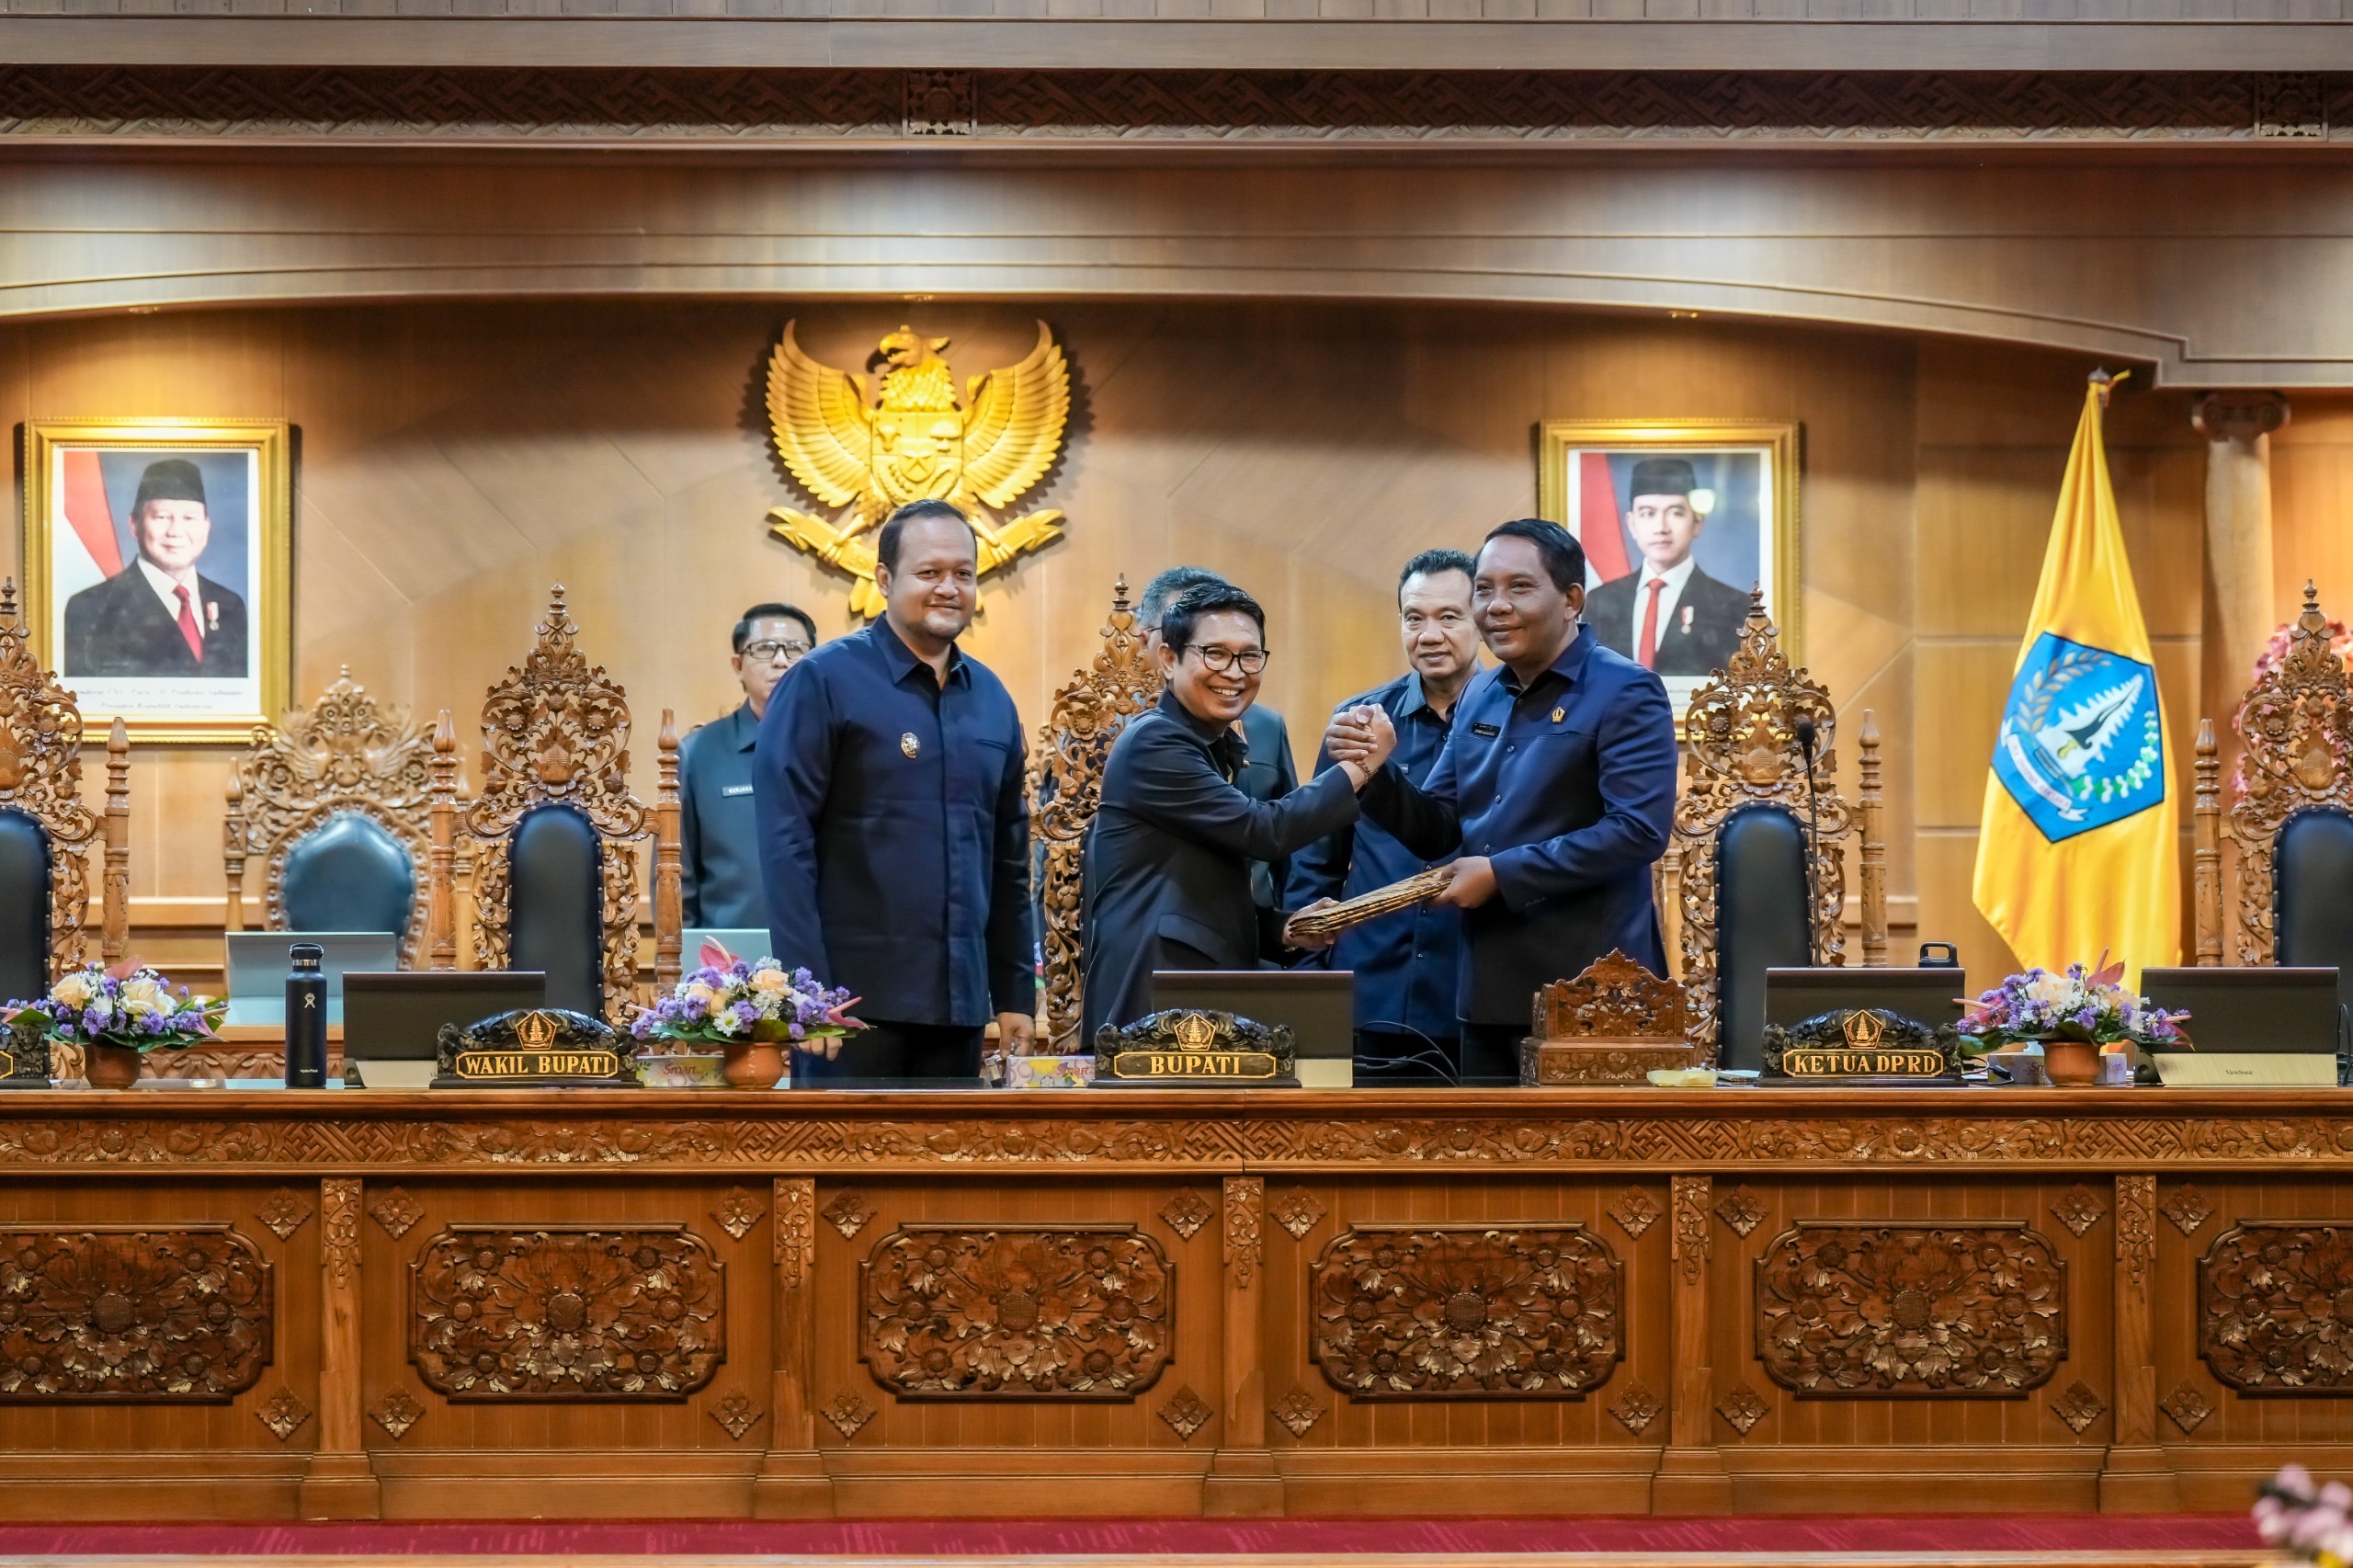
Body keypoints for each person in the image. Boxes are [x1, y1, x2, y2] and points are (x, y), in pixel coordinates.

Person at [1316, 518, 1677, 1085]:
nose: (1496, 606)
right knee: (1492, 1168)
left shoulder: (1626, 689)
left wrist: (1501, 874)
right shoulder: (1482, 692)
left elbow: (1638, 831)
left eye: (1520, 588)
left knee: (1593, 1169)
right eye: (1484, 589)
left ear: (1572, 599)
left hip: (1591, 990)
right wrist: (1374, 773)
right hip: (1485, 987)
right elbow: (1437, 828)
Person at [755, 500, 1033, 1086]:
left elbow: (1007, 861)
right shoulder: (823, 681)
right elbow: (786, 846)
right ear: (884, 580)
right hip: (849, 1015)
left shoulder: (992, 699)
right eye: (928, 573)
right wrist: (810, 997)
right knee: (840, 1177)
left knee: (944, 1177)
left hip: (960, 1011)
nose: (949, 588)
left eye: (963, 573)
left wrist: (1013, 995)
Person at [1081, 581, 1369, 1048]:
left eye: (1249, 656)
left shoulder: (1209, 744)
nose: (1234, 672)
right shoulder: (1156, 742)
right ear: (1169, 659)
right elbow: (1265, 830)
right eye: (1214, 654)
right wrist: (1360, 767)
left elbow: (1201, 895)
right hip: (1150, 1008)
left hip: (1201, 1001)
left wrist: (1285, 930)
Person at [1286, 549, 1479, 1084]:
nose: (1430, 634)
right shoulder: (1360, 722)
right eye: (1414, 617)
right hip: (1371, 988)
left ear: (1480, 620)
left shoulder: (1513, 718)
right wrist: (1310, 976)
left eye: (1449, 616)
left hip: (1472, 993)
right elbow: (1316, 857)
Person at [1135, 567, 1300, 910]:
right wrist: (1358, 769)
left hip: (1255, 941)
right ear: (1151, 644)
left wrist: (1290, 934)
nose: (1228, 668)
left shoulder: (1267, 725)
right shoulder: (1116, 733)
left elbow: (1291, 851)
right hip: (1165, 946)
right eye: (1210, 648)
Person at [679, 602, 818, 931]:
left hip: (824, 959)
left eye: (796, 649)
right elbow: (677, 874)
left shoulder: (838, 745)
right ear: (738, 664)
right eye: (765, 649)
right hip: (727, 965)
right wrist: (681, 968)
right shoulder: (698, 753)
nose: (781, 660)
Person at [63, 458, 249, 678]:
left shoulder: (231, 606)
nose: (176, 531)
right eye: (162, 517)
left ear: (206, 527)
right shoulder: (91, 608)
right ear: (134, 525)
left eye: (189, 518)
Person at [1585, 456, 1748, 676]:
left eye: (1675, 513)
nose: (1661, 527)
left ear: (1697, 522)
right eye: (1648, 513)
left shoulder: (1733, 606)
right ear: (1632, 524)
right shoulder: (1600, 601)